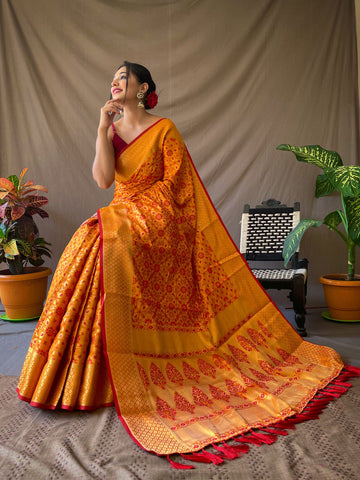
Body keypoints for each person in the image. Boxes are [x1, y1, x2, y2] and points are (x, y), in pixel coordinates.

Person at [17, 61, 357, 467]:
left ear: (143, 87)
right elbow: (105, 181)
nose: (115, 81)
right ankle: (81, 376)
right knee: (88, 242)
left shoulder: (164, 130)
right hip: (122, 213)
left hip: (159, 219)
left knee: (113, 238)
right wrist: (99, 130)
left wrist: (142, 213)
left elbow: (178, 190)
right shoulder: (109, 130)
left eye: (123, 77)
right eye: (113, 78)